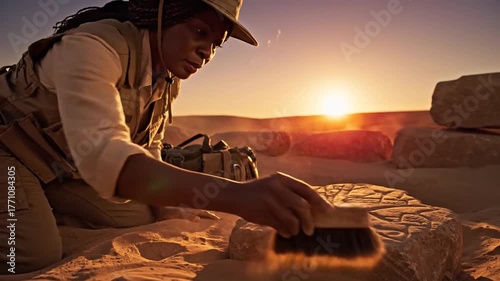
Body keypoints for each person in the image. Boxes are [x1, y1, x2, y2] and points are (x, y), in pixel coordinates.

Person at [0, 0, 332, 274]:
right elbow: (107, 155)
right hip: (10, 155)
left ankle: (38, 205)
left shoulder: (166, 78)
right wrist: (236, 195)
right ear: (164, 13)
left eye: (216, 44)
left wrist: (168, 206)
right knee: (27, 255)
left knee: (141, 215)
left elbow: (149, 145)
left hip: (59, 167)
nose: (207, 53)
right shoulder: (91, 48)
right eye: (200, 32)